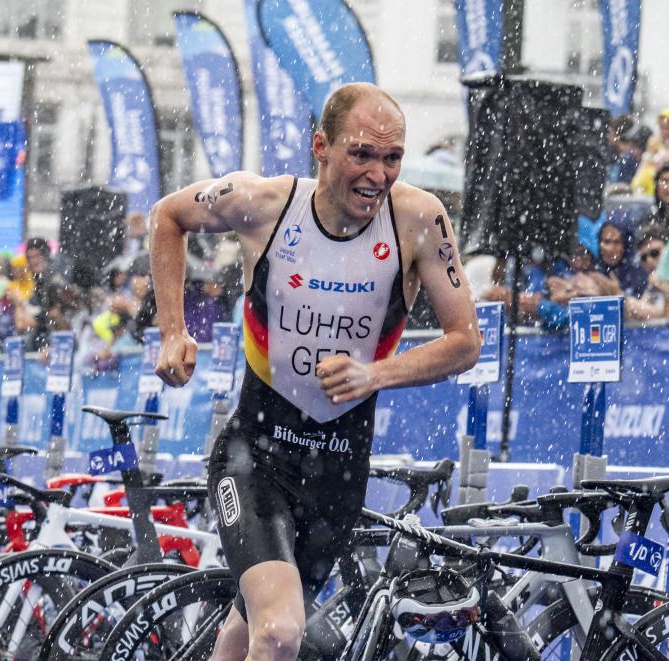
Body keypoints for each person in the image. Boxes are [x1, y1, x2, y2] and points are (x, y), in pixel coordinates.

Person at [150, 82, 480, 661]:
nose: (377, 175)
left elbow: (465, 342)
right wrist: (174, 330)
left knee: (249, 625)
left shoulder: (421, 220)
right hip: (255, 453)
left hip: (338, 469)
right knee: (279, 631)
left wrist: (375, 375)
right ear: (320, 146)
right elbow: (167, 216)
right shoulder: (264, 204)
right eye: (361, 154)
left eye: (392, 158)